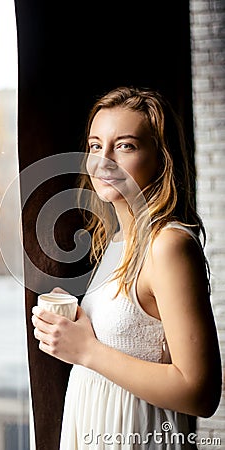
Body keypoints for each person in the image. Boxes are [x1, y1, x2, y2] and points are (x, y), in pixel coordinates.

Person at [31, 86, 222, 449]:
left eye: (125, 146)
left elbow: (200, 392)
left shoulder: (169, 245)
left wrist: (85, 350)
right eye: (95, 145)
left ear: (161, 157)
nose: (104, 161)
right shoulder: (117, 239)